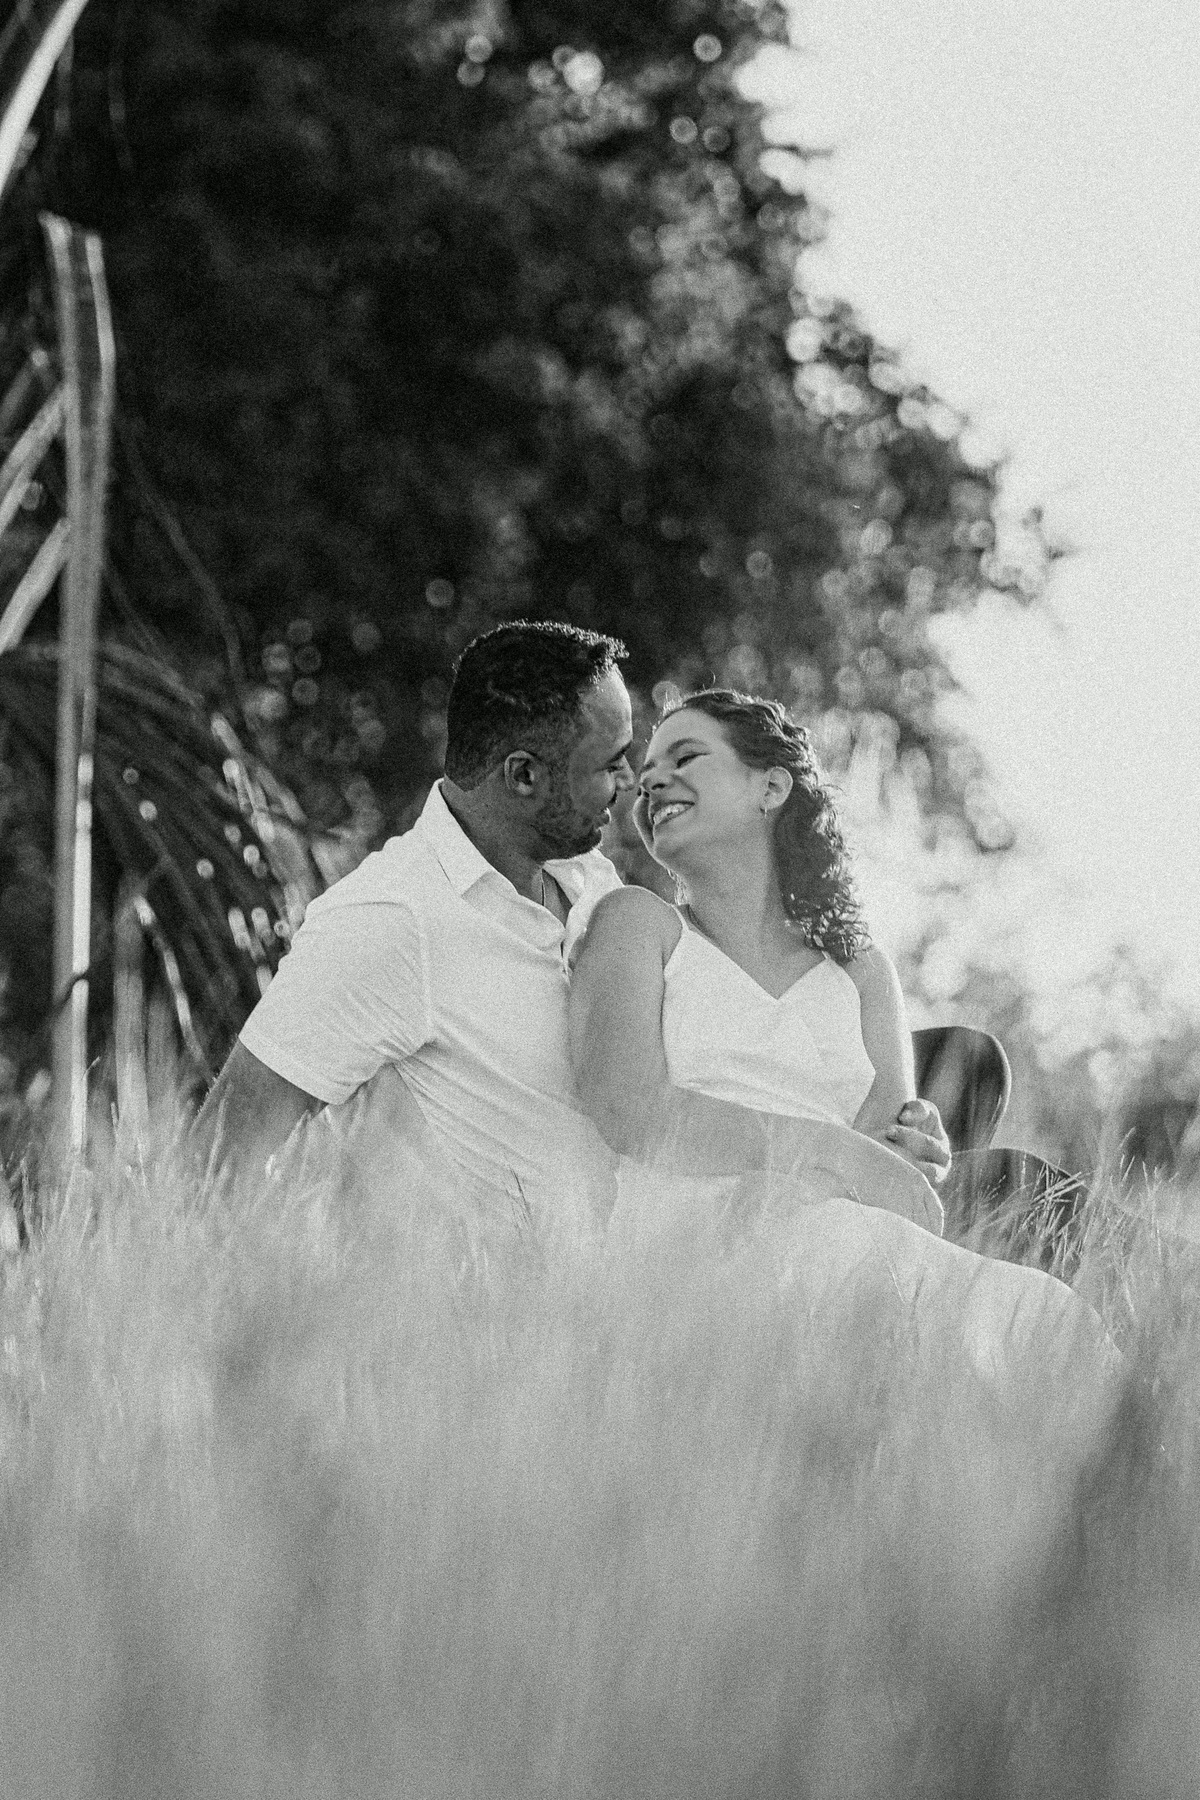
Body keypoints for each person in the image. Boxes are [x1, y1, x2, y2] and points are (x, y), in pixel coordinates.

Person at [192, 625, 951, 1221]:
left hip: (702, 1268)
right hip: (532, 1318)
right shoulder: (389, 921)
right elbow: (221, 1155)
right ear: (524, 775)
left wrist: (887, 1138)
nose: (632, 783)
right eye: (612, 764)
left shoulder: (587, 877)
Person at [568, 689, 1104, 1359]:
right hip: (690, 1256)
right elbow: (625, 1106)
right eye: (646, 771)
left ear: (770, 788)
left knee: (1049, 1319)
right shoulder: (635, 923)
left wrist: (893, 1157)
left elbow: (891, 1169)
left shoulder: (861, 972)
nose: (650, 782)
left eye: (685, 757)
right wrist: (834, 1152)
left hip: (844, 1242)